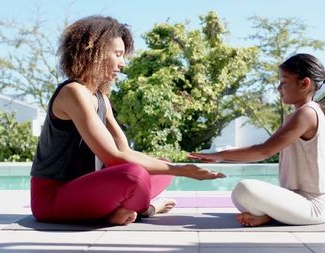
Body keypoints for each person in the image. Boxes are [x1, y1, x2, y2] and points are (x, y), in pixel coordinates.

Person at [30, 15, 225, 226]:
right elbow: (113, 157)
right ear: (92, 51)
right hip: (53, 197)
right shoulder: (73, 92)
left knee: (162, 166)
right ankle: (145, 209)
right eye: (117, 54)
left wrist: (177, 167)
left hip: (86, 188)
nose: (122, 63)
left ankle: (118, 210)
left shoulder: (100, 96)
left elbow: (125, 151)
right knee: (134, 176)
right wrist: (182, 171)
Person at [190, 53, 325, 227]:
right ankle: (271, 215)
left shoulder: (306, 114)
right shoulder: (301, 114)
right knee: (239, 195)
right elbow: (264, 148)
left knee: (245, 189)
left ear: (304, 83)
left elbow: (264, 151)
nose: (279, 88)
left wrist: (220, 155)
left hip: (313, 206)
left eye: (284, 82)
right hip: (295, 200)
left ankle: (270, 215)